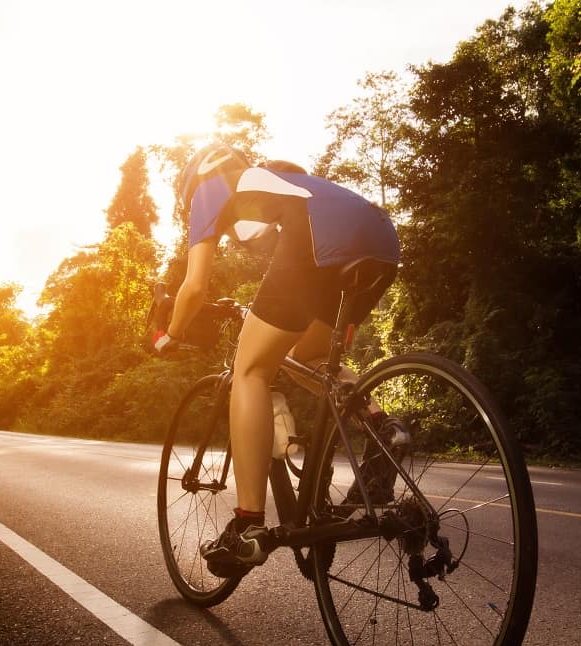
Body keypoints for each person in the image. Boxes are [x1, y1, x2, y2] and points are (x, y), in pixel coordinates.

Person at [153, 143, 408, 578]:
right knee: (307, 356)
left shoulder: (208, 187)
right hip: (381, 244)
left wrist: (171, 335)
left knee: (250, 370)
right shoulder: (280, 182)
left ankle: (247, 526)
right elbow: (285, 265)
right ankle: (386, 428)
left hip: (318, 240)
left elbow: (194, 287)